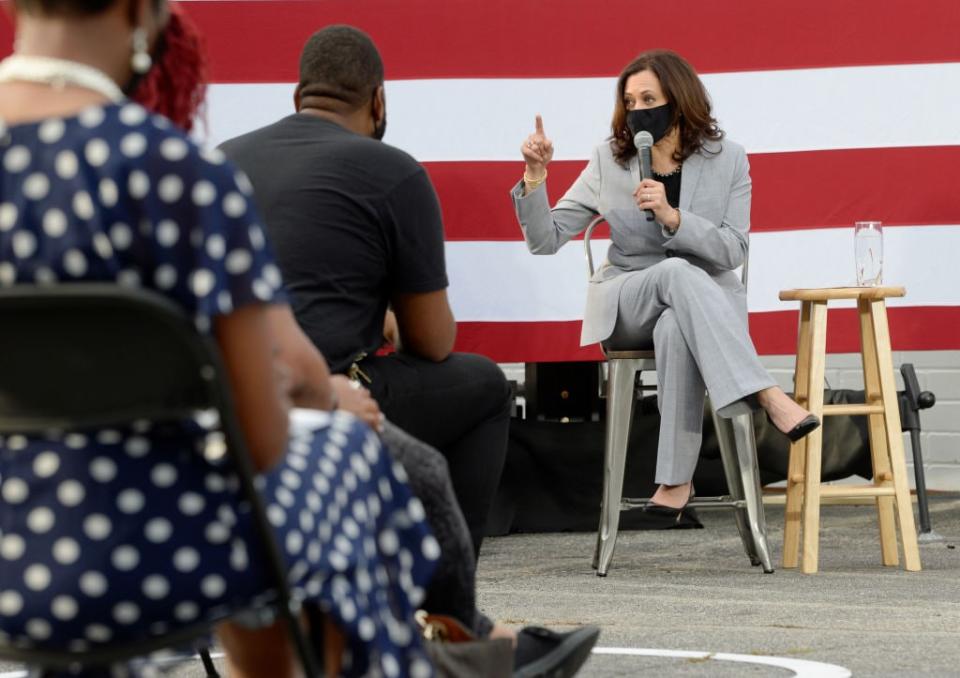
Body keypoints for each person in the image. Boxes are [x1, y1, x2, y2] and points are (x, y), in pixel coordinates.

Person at [0, 1, 438, 675]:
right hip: (156, 559)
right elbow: (259, 439)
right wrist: (327, 402)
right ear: (142, 14)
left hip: (12, 557)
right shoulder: (176, 174)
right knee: (343, 451)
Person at [219, 25, 511, 560]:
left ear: (297, 96)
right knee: (487, 388)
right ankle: (448, 594)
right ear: (378, 100)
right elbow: (431, 344)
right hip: (324, 397)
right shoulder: (392, 171)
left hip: (222, 399)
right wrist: (389, 320)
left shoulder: (222, 161)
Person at [511, 49, 820, 526]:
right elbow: (544, 240)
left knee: (678, 324)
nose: (638, 109)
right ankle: (767, 394)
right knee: (676, 275)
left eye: (649, 98)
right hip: (630, 297)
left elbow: (733, 250)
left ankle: (675, 480)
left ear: (678, 100)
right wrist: (535, 176)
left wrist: (675, 218)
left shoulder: (729, 160)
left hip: (700, 310)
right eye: (630, 101)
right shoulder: (607, 161)